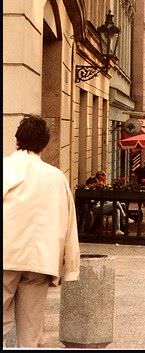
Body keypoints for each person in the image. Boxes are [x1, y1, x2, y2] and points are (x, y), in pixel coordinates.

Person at [3, 115, 80, 347]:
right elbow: (68, 222)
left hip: (6, 256)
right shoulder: (56, 177)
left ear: (17, 139)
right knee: (31, 330)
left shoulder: (5, 168)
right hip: (40, 261)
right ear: (45, 144)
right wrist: (70, 265)